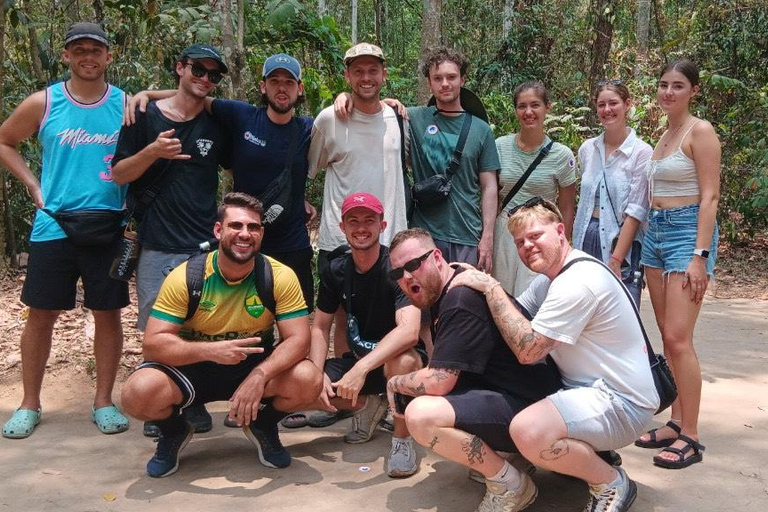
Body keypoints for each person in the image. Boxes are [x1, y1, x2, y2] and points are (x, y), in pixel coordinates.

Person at [451, 198, 658, 512]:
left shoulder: (577, 282)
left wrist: (491, 288)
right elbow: (509, 320)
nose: (527, 247)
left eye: (535, 236)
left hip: (621, 403)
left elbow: (527, 349)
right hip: (583, 391)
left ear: (560, 231)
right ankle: (579, 454)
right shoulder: (548, 282)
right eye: (520, 242)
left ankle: (611, 482)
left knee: (528, 431)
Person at [120, 192, 322, 477]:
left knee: (309, 379)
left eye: (253, 227)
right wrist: (210, 351)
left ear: (261, 234)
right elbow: (153, 345)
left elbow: (300, 339)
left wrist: (260, 375)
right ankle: (174, 431)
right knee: (137, 393)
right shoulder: (186, 276)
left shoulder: (278, 275)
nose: (245, 234)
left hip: (252, 365)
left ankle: (263, 424)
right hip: (192, 367)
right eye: (236, 226)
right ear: (218, 230)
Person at [0, 22, 130, 438]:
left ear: (109, 57)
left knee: (107, 313)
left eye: (97, 50)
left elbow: (170, 105)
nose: (88, 57)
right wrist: (33, 184)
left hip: (109, 225)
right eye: (80, 50)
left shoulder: (125, 105)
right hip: (54, 224)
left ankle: (103, 401)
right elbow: (5, 141)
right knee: (41, 314)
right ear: (67, 57)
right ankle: (30, 403)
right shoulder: (44, 102)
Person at [386, 228, 562, 512]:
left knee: (422, 415)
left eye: (413, 265)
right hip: (522, 397)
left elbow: (440, 381)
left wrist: (395, 383)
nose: (406, 277)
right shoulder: (445, 287)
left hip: (536, 410)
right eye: (398, 274)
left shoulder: (459, 299)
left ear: (437, 257)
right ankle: (511, 458)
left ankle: (510, 484)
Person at [112, 43, 231, 435]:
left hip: (203, 247)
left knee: (199, 329)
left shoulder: (216, 121)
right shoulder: (142, 115)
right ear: (180, 67)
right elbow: (120, 173)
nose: (205, 79)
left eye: (214, 75)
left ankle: (191, 402)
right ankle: (160, 407)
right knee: (156, 331)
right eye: (198, 69)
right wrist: (152, 151)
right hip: (158, 243)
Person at [633, 60, 720, 470]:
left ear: (693, 91)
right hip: (657, 234)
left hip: (688, 233)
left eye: (678, 85)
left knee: (679, 338)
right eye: (664, 84)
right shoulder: (664, 135)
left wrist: (699, 256)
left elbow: (710, 198)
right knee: (667, 338)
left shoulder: (699, 132)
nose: (668, 92)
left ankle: (692, 436)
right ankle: (676, 421)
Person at [308, 42, 409, 388]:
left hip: (390, 235)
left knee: (393, 316)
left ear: (384, 74)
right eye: (358, 71)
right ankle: (342, 388)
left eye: (373, 70)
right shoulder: (329, 119)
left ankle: (384, 394)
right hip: (342, 237)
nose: (366, 78)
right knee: (340, 316)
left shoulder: (396, 116)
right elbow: (309, 167)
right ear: (348, 75)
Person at [308, 192, 426, 478]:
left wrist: (361, 368)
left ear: (382, 226)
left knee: (403, 363)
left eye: (369, 220)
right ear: (342, 227)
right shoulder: (335, 269)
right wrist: (316, 371)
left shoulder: (397, 268)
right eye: (354, 220)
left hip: (396, 363)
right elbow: (321, 326)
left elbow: (409, 331)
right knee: (300, 381)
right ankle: (369, 405)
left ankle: (401, 439)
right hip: (359, 360)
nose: (361, 227)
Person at [406, 47, 499, 271]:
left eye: (451, 77)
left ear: (462, 79)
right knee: (425, 303)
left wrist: (487, 237)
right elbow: (375, 110)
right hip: (424, 236)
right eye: (437, 78)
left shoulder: (481, 129)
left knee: (462, 302)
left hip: (466, 233)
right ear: (429, 83)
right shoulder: (414, 118)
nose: (445, 83)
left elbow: (489, 186)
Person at [572, 80, 652, 307]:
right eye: (601, 105)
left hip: (621, 241)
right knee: (584, 311)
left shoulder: (642, 153)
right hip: (586, 237)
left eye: (613, 103)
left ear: (627, 104)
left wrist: (616, 259)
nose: (607, 110)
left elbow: (636, 212)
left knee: (621, 311)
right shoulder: (588, 149)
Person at [493, 81, 576, 296]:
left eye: (535, 105)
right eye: (522, 106)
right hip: (505, 230)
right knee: (501, 293)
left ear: (547, 108)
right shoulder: (500, 146)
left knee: (533, 294)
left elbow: (566, 206)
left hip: (541, 231)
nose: (528, 112)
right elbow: (490, 195)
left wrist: (561, 244)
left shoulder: (561, 155)